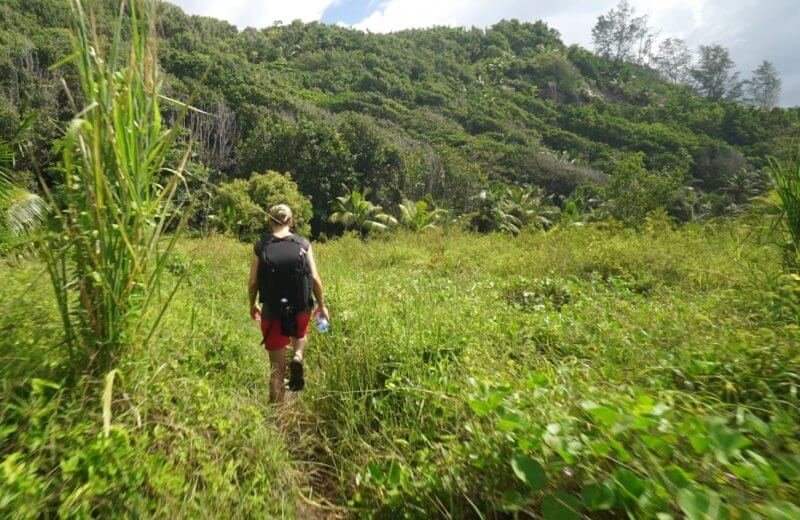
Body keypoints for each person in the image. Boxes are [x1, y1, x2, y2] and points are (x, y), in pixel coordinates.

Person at [248, 204, 329, 403]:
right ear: (291, 222)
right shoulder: (303, 244)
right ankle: (298, 356)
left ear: (270, 222)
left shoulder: (261, 246)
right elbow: (315, 278)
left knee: (276, 370)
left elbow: (253, 282)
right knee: (300, 335)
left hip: (272, 310)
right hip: (301, 307)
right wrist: (321, 305)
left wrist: (253, 304)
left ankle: (278, 415)